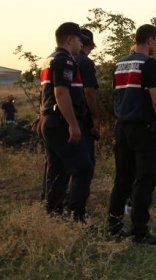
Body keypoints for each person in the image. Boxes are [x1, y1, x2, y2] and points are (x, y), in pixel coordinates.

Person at [107, 24, 156, 245]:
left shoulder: (119, 63)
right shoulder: (149, 64)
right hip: (143, 129)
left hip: (122, 127)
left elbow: (116, 96)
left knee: (122, 179)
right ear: (150, 40)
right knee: (145, 179)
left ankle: (113, 228)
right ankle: (140, 232)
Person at [39, 22, 94, 222]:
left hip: (49, 120)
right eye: (80, 39)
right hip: (61, 122)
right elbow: (61, 92)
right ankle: (76, 217)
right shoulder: (65, 61)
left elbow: (45, 93)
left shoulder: (49, 60)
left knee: (57, 170)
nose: (82, 44)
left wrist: (42, 117)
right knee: (83, 168)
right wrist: (73, 124)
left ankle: (53, 215)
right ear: (69, 40)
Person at [75, 29, 101, 163]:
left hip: (59, 120)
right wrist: (96, 119)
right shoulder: (85, 62)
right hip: (81, 119)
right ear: (91, 45)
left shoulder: (57, 59)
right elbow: (89, 92)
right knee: (85, 166)